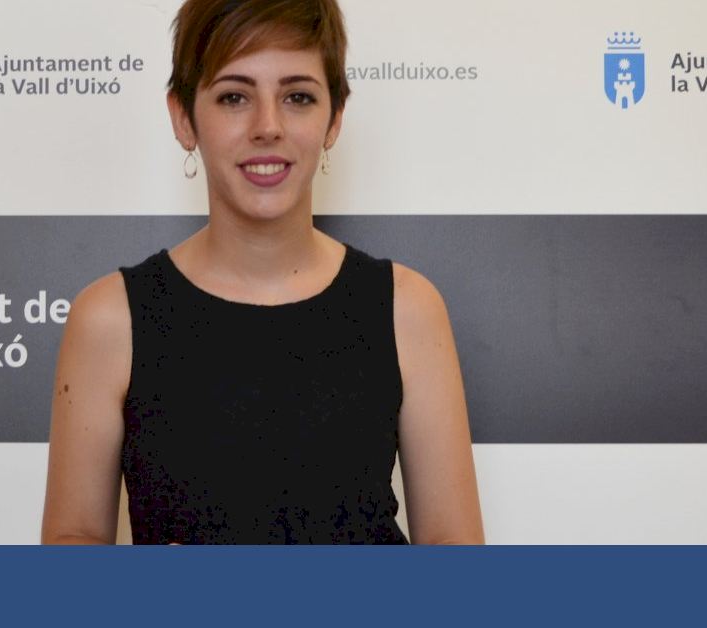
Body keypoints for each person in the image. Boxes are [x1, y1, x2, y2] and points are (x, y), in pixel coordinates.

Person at [41, 0, 484, 544]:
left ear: (334, 119)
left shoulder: (405, 308)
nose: (268, 127)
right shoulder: (111, 318)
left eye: (298, 97)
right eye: (234, 97)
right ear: (183, 117)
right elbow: (68, 550)